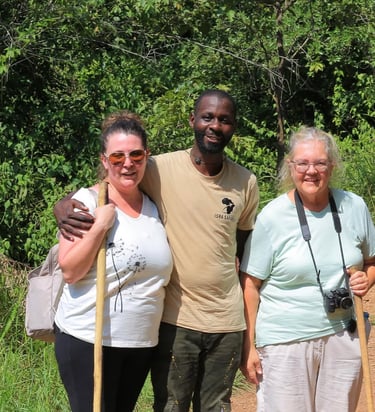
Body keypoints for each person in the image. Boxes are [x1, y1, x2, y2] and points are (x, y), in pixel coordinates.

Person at [54, 89, 260, 411]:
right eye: (207, 117)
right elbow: (105, 186)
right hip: (133, 329)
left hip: (166, 335)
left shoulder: (240, 183)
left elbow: (244, 249)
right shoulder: (145, 177)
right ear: (193, 120)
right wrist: (64, 206)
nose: (128, 164)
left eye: (224, 120)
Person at [239, 126, 375, 412]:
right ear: (291, 166)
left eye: (320, 163)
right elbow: (250, 284)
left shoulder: (354, 206)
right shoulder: (272, 217)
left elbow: (371, 261)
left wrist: (367, 278)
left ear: (332, 166)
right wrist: (248, 346)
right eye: (302, 163)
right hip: (284, 342)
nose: (311, 171)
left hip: (343, 335)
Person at [54, 112, 173, 412]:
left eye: (135, 155)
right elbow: (70, 270)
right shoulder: (87, 203)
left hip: (139, 344)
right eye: (117, 157)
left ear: (147, 156)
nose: (128, 164)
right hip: (87, 340)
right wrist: (98, 227)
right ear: (105, 161)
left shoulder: (154, 205)